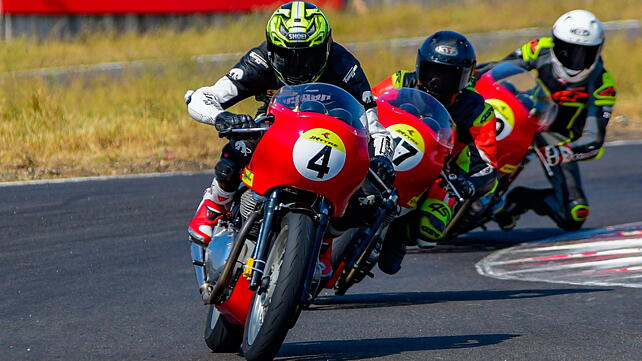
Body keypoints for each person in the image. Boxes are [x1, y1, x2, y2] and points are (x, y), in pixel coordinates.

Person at [184, 1, 394, 281]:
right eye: (287, 56)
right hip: (277, 126)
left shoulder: (345, 66)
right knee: (239, 146)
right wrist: (222, 118)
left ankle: (325, 242)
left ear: (326, 49)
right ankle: (215, 203)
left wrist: (381, 158)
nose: (297, 65)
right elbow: (203, 96)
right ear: (272, 49)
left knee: (369, 199)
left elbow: (374, 124)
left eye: (308, 56)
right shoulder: (259, 60)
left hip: (329, 135)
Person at [477, 10, 616, 231]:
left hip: (556, 138)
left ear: (598, 51)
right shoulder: (538, 48)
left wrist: (567, 151)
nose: (574, 59)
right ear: (554, 43)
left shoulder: (602, 84)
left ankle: (520, 200)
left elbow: (594, 139)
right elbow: (498, 72)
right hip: (524, 113)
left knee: (574, 213)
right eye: (567, 50)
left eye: (583, 53)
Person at [372, 31, 497, 275]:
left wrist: (470, 183)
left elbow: (487, 163)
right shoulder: (399, 82)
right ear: (420, 67)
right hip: (384, 151)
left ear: (464, 78)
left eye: (448, 77)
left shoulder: (478, 110)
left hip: (439, 172)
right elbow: (365, 106)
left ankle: (398, 231)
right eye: (432, 73)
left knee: (430, 228)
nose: (437, 83)